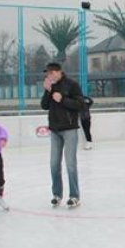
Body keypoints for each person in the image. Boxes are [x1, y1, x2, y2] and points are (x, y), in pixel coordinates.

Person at [41, 62, 85, 207]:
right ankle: (57, 194)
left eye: (50, 73)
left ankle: (74, 196)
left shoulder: (71, 85)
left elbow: (80, 104)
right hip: (54, 129)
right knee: (54, 164)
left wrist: (63, 99)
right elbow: (44, 106)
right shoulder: (50, 86)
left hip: (69, 128)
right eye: (47, 74)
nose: (48, 76)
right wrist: (47, 91)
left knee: (70, 164)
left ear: (57, 72)